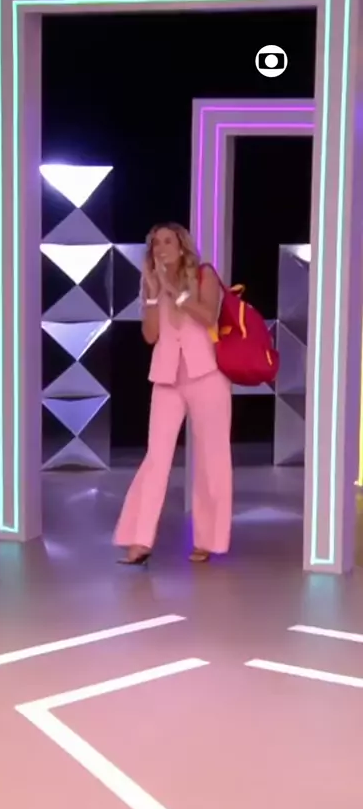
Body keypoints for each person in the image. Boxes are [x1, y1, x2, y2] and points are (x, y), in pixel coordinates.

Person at [113, 222, 232, 566]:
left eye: (167, 241)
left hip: (207, 376)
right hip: (166, 379)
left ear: (181, 246)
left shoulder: (204, 276)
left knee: (212, 459)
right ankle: (139, 539)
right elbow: (150, 336)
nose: (161, 248)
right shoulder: (151, 283)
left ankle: (208, 540)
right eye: (155, 244)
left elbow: (208, 316)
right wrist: (153, 294)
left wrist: (174, 290)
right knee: (156, 457)